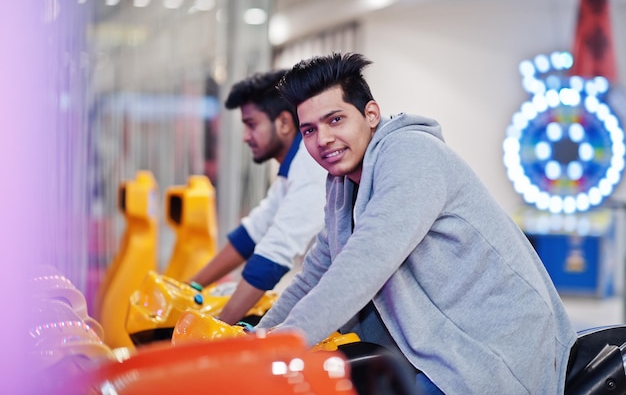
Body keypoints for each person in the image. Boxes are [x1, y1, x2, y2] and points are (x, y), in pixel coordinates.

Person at [256, 52, 578, 394]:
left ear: (371, 114)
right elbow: (315, 275)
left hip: (491, 348)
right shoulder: (342, 186)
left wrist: (281, 345)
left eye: (335, 120)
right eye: (310, 130)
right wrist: (254, 341)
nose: (322, 139)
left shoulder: (411, 154)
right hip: (441, 347)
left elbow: (362, 265)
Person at [188, 69, 327, 325]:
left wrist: (217, 327)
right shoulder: (291, 169)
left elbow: (276, 251)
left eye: (251, 124)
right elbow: (252, 233)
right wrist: (190, 288)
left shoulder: (309, 165)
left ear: (284, 123)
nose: (245, 136)